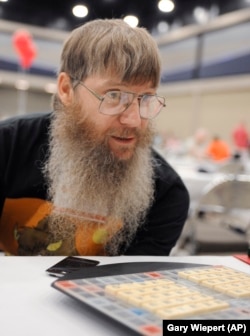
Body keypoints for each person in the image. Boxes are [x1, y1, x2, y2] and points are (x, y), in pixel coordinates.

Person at [0, 19, 189, 256]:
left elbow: (130, 288)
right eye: (113, 95)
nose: (134, 120)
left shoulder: (166, 193)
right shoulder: (7, 147)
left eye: (146, 98)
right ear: (67, 90)